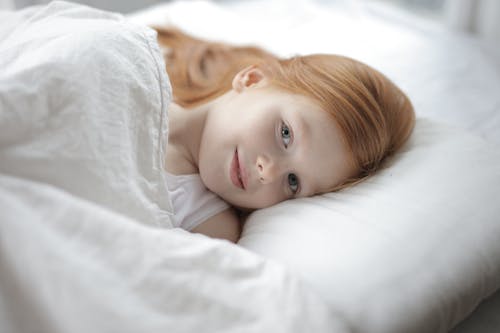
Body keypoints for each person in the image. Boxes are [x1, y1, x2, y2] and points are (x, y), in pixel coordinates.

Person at [154, 27, 415, 243]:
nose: (268, 173)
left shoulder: (209, 226)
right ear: (253, 79)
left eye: (293, 182)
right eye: (286, 134)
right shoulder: (144, 70)